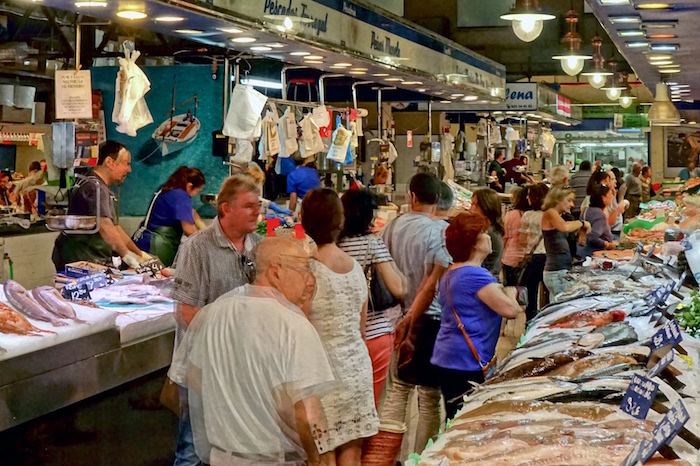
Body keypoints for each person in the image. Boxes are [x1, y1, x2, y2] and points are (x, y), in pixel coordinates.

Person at [168, 238, 336, 466]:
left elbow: (178, 387)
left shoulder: (212, 313)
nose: (310, 281)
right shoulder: (294, 326)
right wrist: (321, 461)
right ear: (276, 272)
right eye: (304, 269)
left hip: (220, 458)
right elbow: (307, 414)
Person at [170, 174, 264, 466]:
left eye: (257, 205)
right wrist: (227, 341)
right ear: (226, 209)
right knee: (192, 449)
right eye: (249, 206)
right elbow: (185, 312)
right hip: (203, 367)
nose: (257, 212)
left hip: (244, 367)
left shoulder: (259, 246)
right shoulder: (196, 247)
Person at [300, 188, 379, 465]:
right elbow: (361, 327)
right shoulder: (356, 268)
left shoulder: (307, 271)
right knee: (352, 451)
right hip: (356, 367)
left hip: (321, 372)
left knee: (323, 454)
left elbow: (300, 327)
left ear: (305, 221)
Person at [378, 173, 450, 457]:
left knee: (398, 391)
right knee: (430, 397)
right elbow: (433, 283)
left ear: (413, 197)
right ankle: (422, 457)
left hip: (396, 316)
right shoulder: (440, 232)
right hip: (430, 321)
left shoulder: (390, 228)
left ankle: (388, 456)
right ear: (437, 200)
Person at [432, 212, 523, 418]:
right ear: (473, 243)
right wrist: (510, 294)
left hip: (450, 356)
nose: (489, 236)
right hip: (465, 360)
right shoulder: (474, 274)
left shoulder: (453, 271)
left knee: (454, 416)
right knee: (466, 420)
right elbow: (511, 310)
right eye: (483, 233)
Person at [337, 189, 407, 407]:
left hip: (341, 334)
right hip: (373, 332)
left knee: (344, 404)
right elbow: (397, 288)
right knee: (371, 404)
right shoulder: (371, 244)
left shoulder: (331, 245)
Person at [52, 141, 147, 271]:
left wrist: (140, 255)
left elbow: (114, 228)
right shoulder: (95, 188)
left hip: (78, 254)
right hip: (82, 258)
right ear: (110, 162)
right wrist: (127, 255)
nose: (129, 169)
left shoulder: (92, 181)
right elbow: (106, 228)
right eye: (126, 163)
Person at [132, 166, 206, 267]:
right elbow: (189, 230)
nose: (196, 194)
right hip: (157, 248)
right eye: (198, 190)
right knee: (156, 280)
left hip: (143, 240)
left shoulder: (167, 189)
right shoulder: (182, 196)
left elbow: (191, 212)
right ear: (189, 186)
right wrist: (206, 243)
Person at [541, 186, 590, 299]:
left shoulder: (563, 217)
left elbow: (581, 242)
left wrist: (582, 231)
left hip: (563, 271)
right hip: (556, 272)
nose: (572, 205)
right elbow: (564, 227)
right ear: (557, 198)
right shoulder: (550, 213)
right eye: (569, 200)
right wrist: (582, 223)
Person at [518, 183, 549, 320]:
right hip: (549, 255)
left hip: (535, 256)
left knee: (532, 291)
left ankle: (530, 321)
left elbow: (522, 239)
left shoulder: (528, 215)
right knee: (547, 291)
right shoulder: (550, 215)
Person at [470, 188, 504, 279]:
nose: (471, 208)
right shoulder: (490, 228)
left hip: (483, 281)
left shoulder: (487, 232)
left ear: (486, 206)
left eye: (475, 205)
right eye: (471, 204)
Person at [502, 186, 529, 286]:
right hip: (527, 257)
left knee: (509, 288)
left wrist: (501, 256)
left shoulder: (511, 215)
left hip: (510, 256)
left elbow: (505, 237)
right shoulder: (533, 215)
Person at [580, 184, 616, 258]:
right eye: (609, 194)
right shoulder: (600, 215)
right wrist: (607, 245)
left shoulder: (586, 210)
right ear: (603, 198)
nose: (611, 196)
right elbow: (593, 237)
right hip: (596, 254)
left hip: (583, 251)